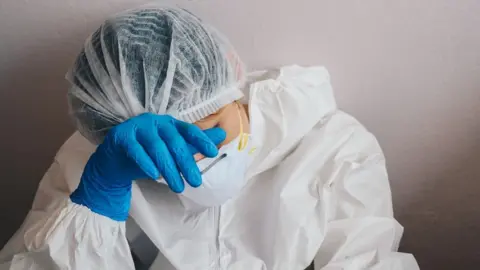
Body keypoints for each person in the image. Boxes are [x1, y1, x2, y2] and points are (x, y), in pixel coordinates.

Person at [0, 6, 419, 270]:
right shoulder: (97, 161)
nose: (193, 164)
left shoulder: (333, 147)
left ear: (232, 75)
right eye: (164, 152)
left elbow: (369, 258)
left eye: (209, 130)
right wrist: (95, 206)